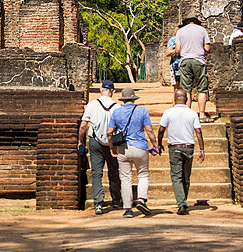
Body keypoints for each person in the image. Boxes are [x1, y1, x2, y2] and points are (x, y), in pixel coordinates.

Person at [107, 87, 159, 218]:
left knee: (126, 178)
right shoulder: (142, 111)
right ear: (134, 98)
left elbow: (109, 132)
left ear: (123, 100)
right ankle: (141, 200)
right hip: (140, 146)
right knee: (143, 175)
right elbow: (149, 130)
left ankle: (128, 209)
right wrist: (155, 145)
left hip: (123, 148)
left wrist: (112, 146)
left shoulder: (117, 112)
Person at [156, 89, 205, 215]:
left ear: (174, 99)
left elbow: (161, 130)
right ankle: (183, 201)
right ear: (187, 99)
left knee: (176, 177)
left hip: (175, 148)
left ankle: (182, 203)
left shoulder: (168, 112)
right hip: (189, 148)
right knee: (186, 177)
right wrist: (202, 149)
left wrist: (159, 144)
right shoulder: (192, 113)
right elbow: (198, 132)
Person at [77, 80, 122, 215]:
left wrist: (80, 141)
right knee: (114, 171)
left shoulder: (92, 105)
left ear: (100, 90)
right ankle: (116, 200)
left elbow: (83, 125)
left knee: (96, 173)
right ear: (113, 92)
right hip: (111, 142)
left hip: (95, 141)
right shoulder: (117, 107)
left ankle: (98, 203)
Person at [174, 12, 213, 123]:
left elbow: (177, 50)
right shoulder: (202, 30)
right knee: (202, 89)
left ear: (187, 21)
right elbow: (207, 48)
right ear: (196, 21)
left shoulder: (180, 31)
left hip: (185, 61)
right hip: (199, 61)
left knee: (186, 89)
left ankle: (187, 115)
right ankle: (202, 115)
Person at [165, 24, 184, 89]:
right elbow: (167, 53)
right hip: (176, 66)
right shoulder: (173, 39)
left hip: (187, 66)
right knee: (177, 89)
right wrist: (177, 50)